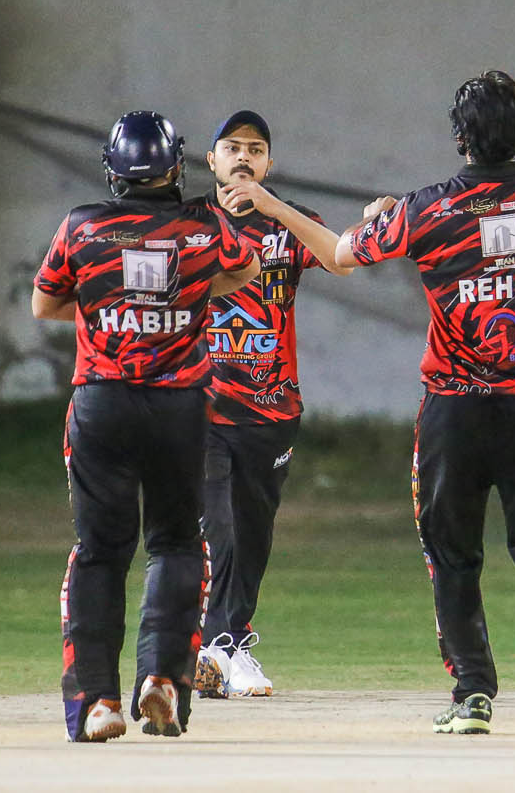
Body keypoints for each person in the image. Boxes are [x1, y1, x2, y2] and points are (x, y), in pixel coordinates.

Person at [334, 70, 515, 735]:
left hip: (454, 411)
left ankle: (472, 693)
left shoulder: (425, 209)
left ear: (459, 136)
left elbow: (344, 253)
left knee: (451, 554)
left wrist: (375, 218)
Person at [35, 111, 259, 743]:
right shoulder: (203, 225)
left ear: (113, 171)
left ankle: (98, 702)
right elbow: (246, 268)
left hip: (101, 403)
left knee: (99, 551)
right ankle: (162, 677)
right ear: (175, 166)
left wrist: (110, 306)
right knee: (178, 544)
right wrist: (187, 296)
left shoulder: (81, 226)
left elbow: (44, 302)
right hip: (179, 408)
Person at [188, 110, 355, 699]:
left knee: (254, 537)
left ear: (268, 163)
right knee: (220, 530)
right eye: (232, 147)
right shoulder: (188, 222)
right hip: (202, 407)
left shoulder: (289, 221)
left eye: (255, 149)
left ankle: (225, 649)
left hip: (273, 409)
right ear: (211, 159)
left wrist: (274, 207)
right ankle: (214, 646)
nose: (243, 157)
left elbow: (339, 258)